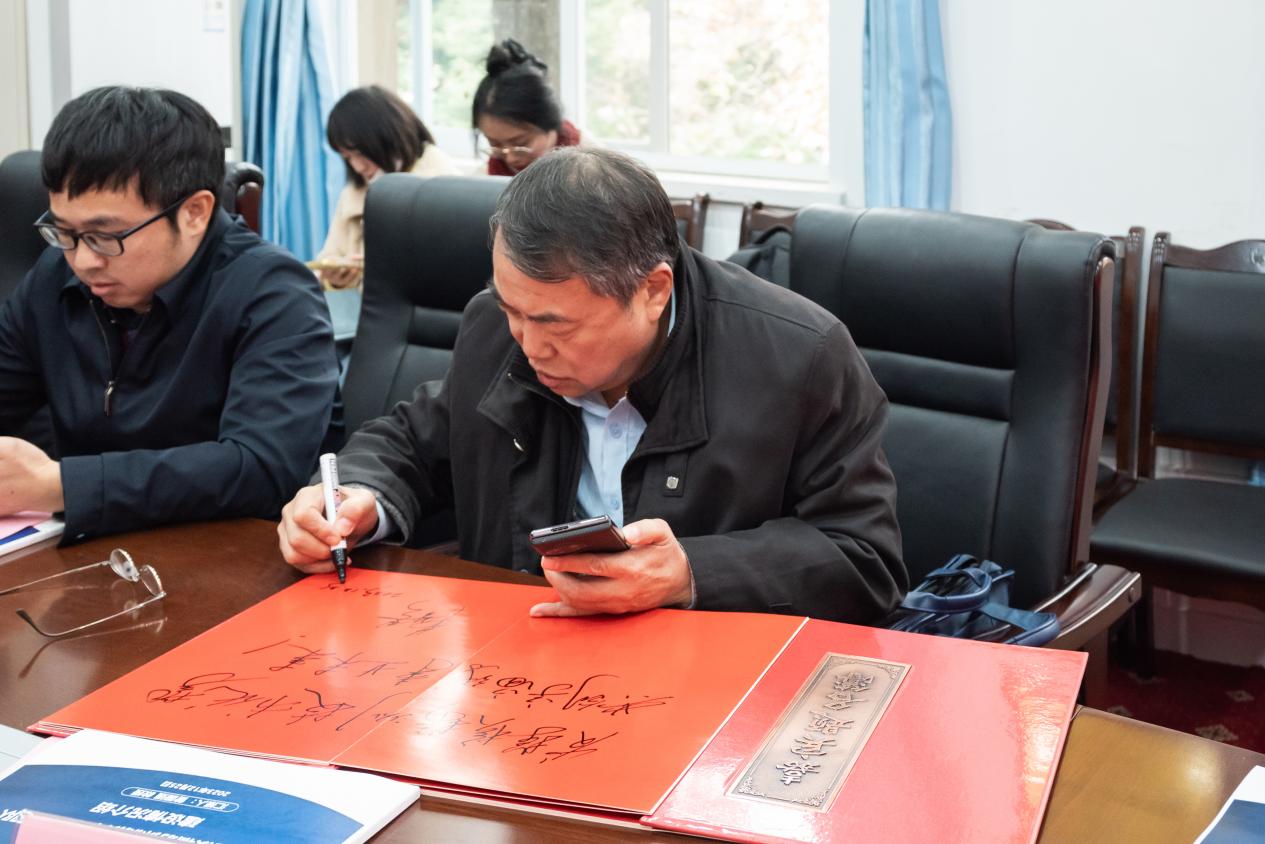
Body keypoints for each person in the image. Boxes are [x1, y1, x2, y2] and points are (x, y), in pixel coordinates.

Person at [278, 147, 905, 624]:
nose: (529, 346)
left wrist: (691, 573)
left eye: (555, 324)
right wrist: (356, 498)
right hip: (522, 665)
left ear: (653, 291)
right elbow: (417, 440)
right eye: (512, 310)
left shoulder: (799, 357)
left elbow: (864, 558)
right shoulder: (496, 329)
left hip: (711, 689)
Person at [0, 86, 341, 542]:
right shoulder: (55, 276)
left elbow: (261, 470)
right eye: (63, 232)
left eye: (106, 236)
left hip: (232, 558)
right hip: (94, 551)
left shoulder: (275, 293)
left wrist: (58, 485)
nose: (83, 260)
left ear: (194, 212)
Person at [315, 85, 457, 289]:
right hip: (370, 305)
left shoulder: (441, 184)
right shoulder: (354, 193)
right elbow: (329, 258)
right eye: (348, 158)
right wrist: (334, 278)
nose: (358, 166)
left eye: (360, 153)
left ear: (388, 137)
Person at [473, 39, 582, 177]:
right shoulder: (487, 177)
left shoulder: (591, 170)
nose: (510, 158)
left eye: (521, 144)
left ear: (551, 123)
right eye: (495, 144)